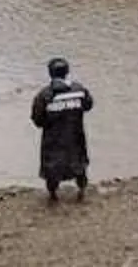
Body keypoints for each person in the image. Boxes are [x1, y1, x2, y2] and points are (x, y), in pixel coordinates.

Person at [30, 58, 94, 203]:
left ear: (50, 73)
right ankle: (82, 191)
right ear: (67, 72)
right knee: (79, 164)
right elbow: (88, 105)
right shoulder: (79, 90)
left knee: (52, 168)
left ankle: (53, 195)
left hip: (53, 140)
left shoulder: (44, 95)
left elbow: (37, 120)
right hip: (75, 137)